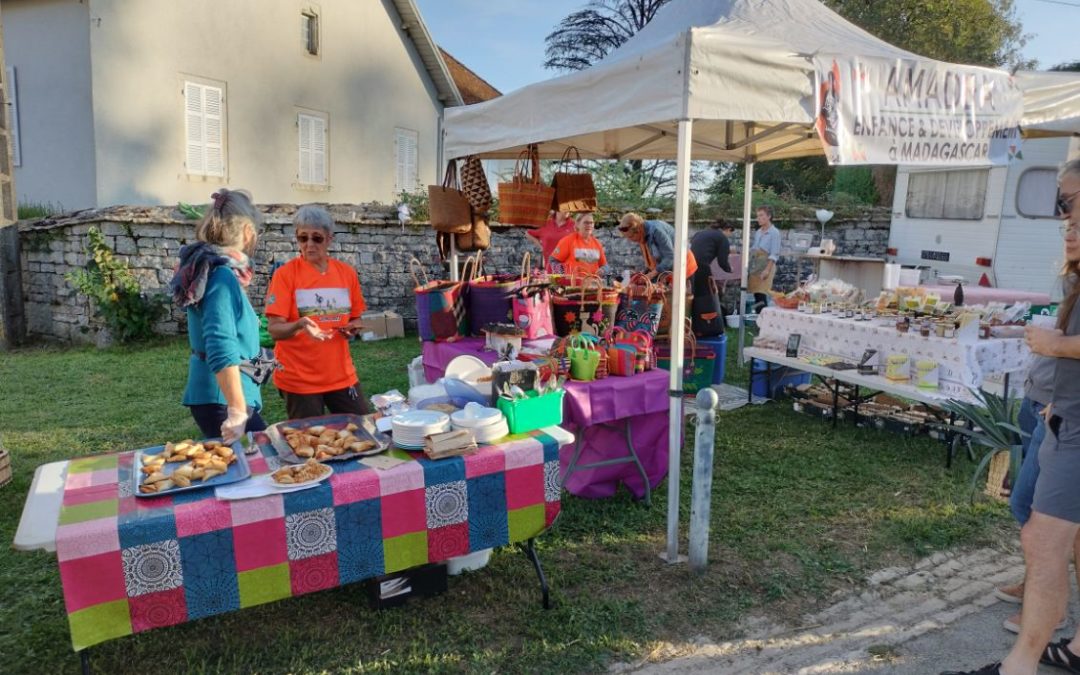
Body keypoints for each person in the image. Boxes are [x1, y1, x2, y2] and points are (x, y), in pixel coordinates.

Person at [947, 159, 1080, 675]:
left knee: (1042, 545)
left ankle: (1017, 667)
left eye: (1069, 204)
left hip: (1075, 432)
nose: (1064, 219)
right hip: (1064, 418)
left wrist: (1057, 345)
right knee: (1061, 541)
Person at [170, 188, 267, 443]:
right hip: (223, 399)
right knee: (258, 469)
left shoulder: (210, 268)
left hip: (222, 395)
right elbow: (220, 343)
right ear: (248, 232)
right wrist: (237, 411)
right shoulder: (221, 275)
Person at [265, 205, 369, 420]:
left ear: (329, 239)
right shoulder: (285, 275)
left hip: (341, 375)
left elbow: (356, 317)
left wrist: (353, 328)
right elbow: (274, 330)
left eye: (317, 238)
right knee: (309, 443)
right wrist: (300, 324)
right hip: (299, 380)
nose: (309, 245)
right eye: (303, 238)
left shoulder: (346, 273)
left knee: (363, 429)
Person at [616, 212, 698, 280]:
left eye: (631, 237)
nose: (630, 240)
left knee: (676, 298)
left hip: (684, 266)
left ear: (639, 230)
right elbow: (652, 260)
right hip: (668, 270)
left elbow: (670, 257)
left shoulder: (657, 231)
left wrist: (652, 274)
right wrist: (644, 273)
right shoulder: (642, 236)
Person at [689, 219, 733, 333]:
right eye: (730, 233)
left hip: (689, 266)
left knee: (694, 297)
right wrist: (731, 270)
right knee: (708, 298)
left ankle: (695, 326)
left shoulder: (702, 233)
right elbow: (723, 262)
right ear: (727, 230)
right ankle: (708, 327)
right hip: (702, 267)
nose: (729, 236)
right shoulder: (722, 238)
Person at [549, 212, 608, 278]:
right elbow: (553, 261)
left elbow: (605, 266)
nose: (589, 225)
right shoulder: (568, 240)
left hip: (593, 285)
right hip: (573, 285)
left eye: (591, 223)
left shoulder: (597, 243)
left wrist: (603, 270)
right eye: (586, 223)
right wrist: (562, 276)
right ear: (577, 224)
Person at [749, 205, 781, 313]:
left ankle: (763, 321)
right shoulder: (758, 232)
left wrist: (767, 270)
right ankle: (759, 318)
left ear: (769, 216)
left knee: (762, 293)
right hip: (756, 265)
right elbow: (754, 248)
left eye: (761, 215)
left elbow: (774, 253)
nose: (758, 218)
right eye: (757, 216)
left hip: (766, 265)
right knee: (756, 294)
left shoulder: (774, 233)